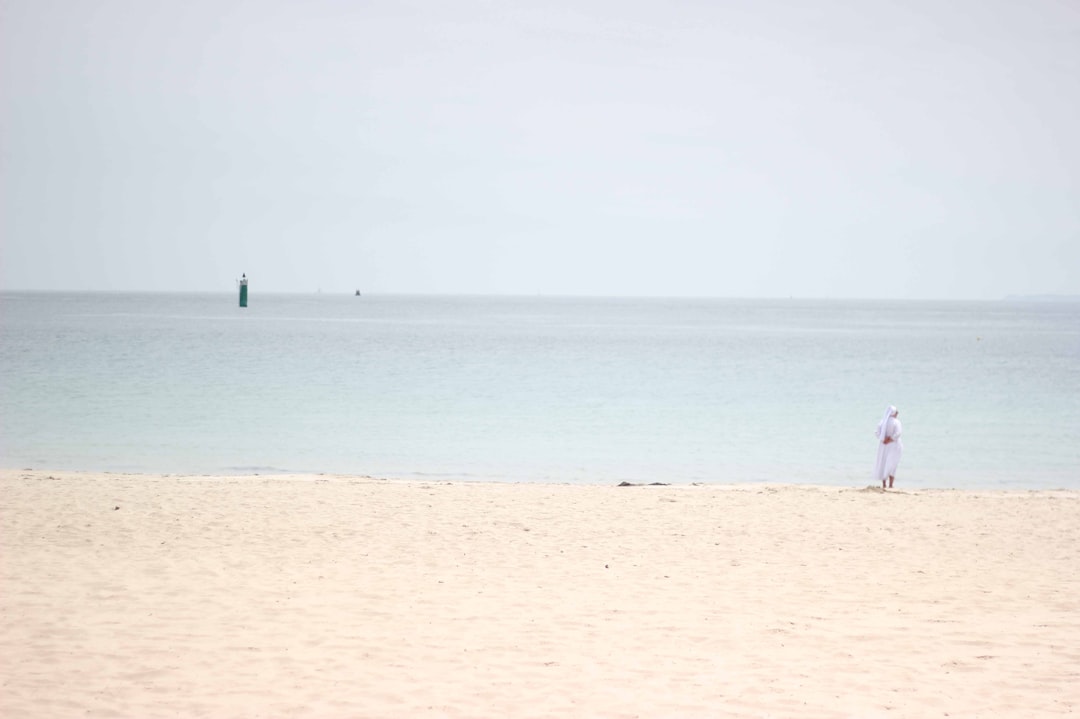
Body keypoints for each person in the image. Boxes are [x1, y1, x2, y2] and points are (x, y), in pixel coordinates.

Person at [873, 405, 903, 489]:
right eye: (896, 412)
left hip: (883, 446)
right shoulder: (896, 422)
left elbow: (876, 432)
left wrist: (883, 440)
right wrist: (890, 440)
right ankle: (890, 485)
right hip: (894, 445)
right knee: (893, 464)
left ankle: (884, 484)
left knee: (884, 462)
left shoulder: (882, 421)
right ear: (893, 413)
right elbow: (898, 433)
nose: (897, 413)